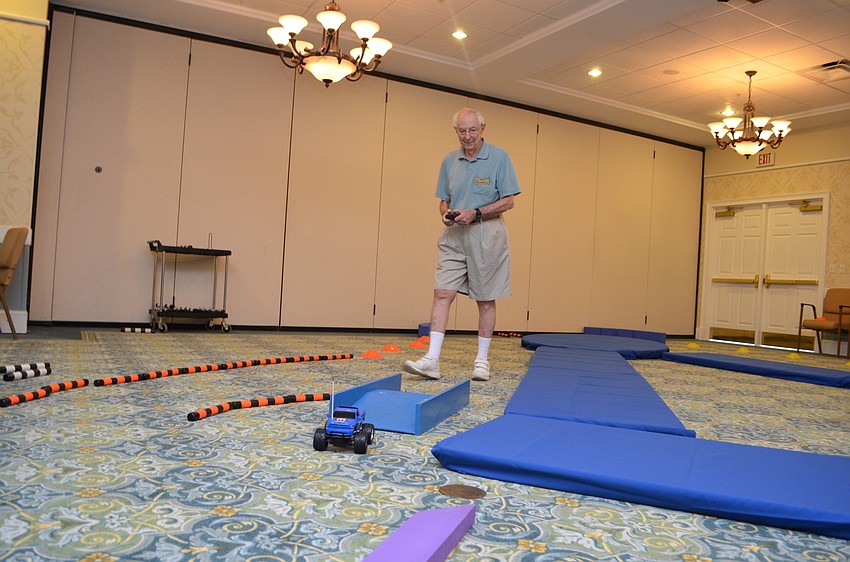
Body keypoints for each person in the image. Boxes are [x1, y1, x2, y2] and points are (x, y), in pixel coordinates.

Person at [403, 107, 521, 382]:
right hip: (454, 235)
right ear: (455, 131)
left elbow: (509, 201)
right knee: (442, 293)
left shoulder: (499, 157)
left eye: (472, 130)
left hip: (486, 234)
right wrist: (446, 213)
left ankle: (482, 361)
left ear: (482, 129)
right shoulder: (449, 161)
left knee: (484, 298)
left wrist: (477, 213)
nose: (467, 136)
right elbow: (443, 199)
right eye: (462, 131)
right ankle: (431, 359)